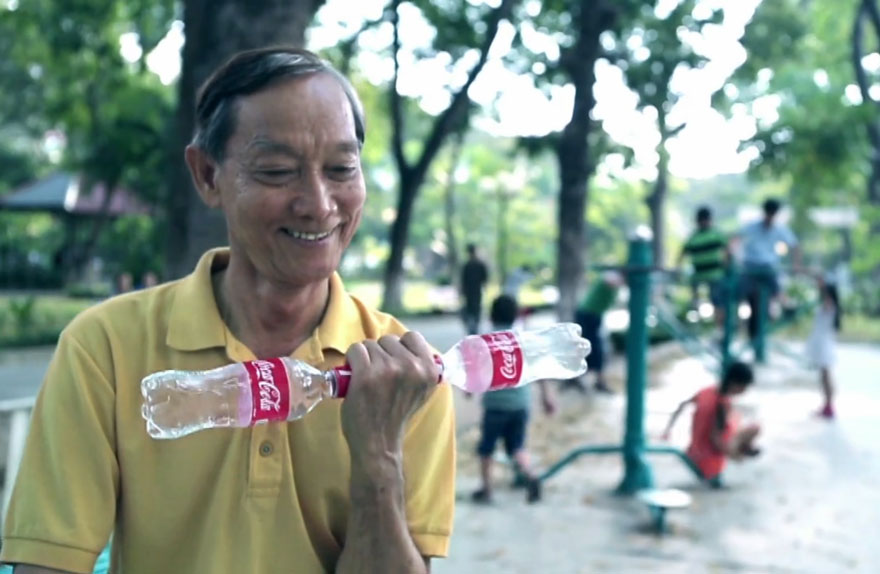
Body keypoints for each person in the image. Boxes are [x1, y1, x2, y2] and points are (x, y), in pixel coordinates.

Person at [1, 48, 455, 574]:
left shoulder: (405, 372)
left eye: (340, 169)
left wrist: (378, 457)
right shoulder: (106, 347)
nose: (319, 203)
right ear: (207, 176)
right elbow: (48, 563)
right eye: (278, 171)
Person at [471, 294, 556, 504]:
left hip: (496, 406)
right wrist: (546, 397)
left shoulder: (485, 341)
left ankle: (486, 489)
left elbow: (475, 370)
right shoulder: (523, 339)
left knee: (486, 448)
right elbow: (538, 371)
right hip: (520, 404)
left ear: (490, 316)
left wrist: (469, 389)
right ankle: (531, 476)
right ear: (516, 315)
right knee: (517, 447)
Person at [662, 361, 761, 488]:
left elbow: (682, 405)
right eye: (745, 387)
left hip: (693, 451)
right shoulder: (722, 404)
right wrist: (735, 456)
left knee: (737, 419)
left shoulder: (706, 391)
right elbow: (715, 438)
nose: (745, 391)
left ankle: (743, 448)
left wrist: (667, 430)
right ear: (736, 384)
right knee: (755, 427)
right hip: (709, 462)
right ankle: (741, 449)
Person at [735, 198, 801, 339]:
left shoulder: (780, 229)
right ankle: (734, 320)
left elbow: (794, 245)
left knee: (776, 291)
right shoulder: (751, 226)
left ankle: (785, 308)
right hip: (751, 267)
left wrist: (796, 265)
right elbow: (736, 238)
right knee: (739, 293)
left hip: (768, 268)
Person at [569, 271, 624, 393]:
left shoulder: (617, 284)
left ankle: (597, 380)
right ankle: (579, 378)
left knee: (596, 349)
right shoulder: (612, 277)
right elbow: (609, 278)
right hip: (587, 316)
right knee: (587, 347)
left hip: (594, 316)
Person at [678, 206, 729, 327]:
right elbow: (683, 253)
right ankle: (696, 324)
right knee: (695, 302)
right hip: (698, 275)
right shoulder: (693, 237)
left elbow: (727, 250)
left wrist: (726, 264)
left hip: (715, 274)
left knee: (717, 302)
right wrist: (678, 268)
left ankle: (720, 329)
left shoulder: (716, 234)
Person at [806, 275, 841, 419]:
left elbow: (823, 291)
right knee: (824, 377)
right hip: (822, 343)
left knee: (826, 377)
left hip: (824, 345)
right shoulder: (830, 304)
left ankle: (828, 406)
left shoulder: (829, 304)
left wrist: (822, 284)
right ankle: (827, 405)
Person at [460, 243, 489, 335]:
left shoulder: (467, 265)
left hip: (471, 291)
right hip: (475, 290)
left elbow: (463, 280)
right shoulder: (478, 264)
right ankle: (474, 326)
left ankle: (473, 327)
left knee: (472, 309)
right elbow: (485, 278)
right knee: (475, 309)